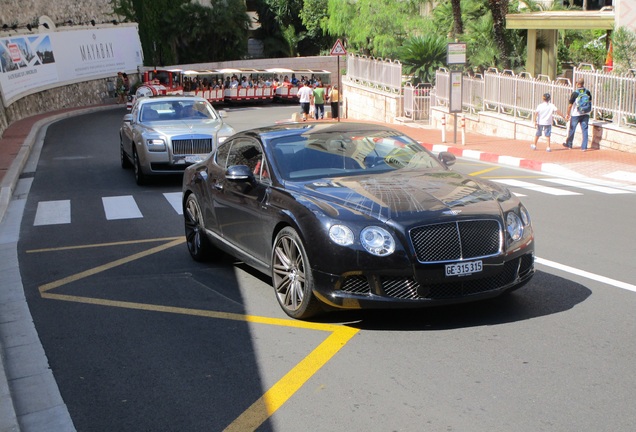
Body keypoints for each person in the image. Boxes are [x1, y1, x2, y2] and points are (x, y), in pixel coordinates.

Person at [564, 77, 592, 151]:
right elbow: (590, 101)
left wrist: (567, 114)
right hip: (585, 113)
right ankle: (584, 147)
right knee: (585, 130)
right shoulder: (587, 92)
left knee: (572, 129)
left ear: (578, 84)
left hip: (576, 114)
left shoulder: (575, 93)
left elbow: (570, 105)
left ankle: (569, 145)